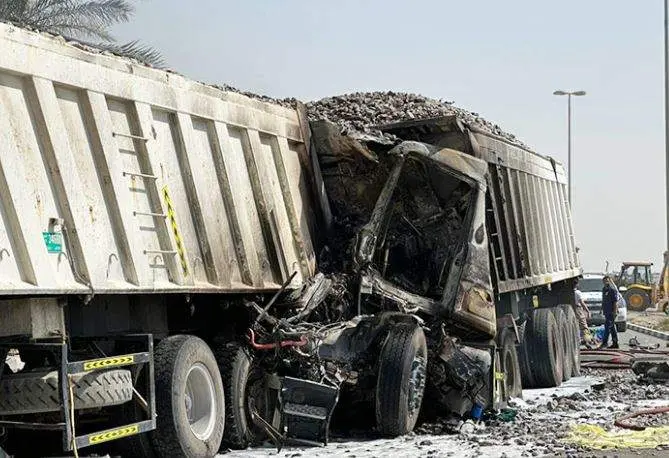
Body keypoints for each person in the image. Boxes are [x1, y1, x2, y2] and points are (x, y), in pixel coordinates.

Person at [600, 275, 619, 349]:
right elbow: (603, 300)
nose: (606, 282)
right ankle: (615, 343)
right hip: (606, 311)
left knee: (608, 327)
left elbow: (615, 302)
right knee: (611, 327)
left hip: (611, 312)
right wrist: (601, 309)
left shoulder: (612, 290)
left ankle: (605, 343)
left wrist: (615, 312)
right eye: (604, 281)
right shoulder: (604, 289)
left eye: (607, 281)